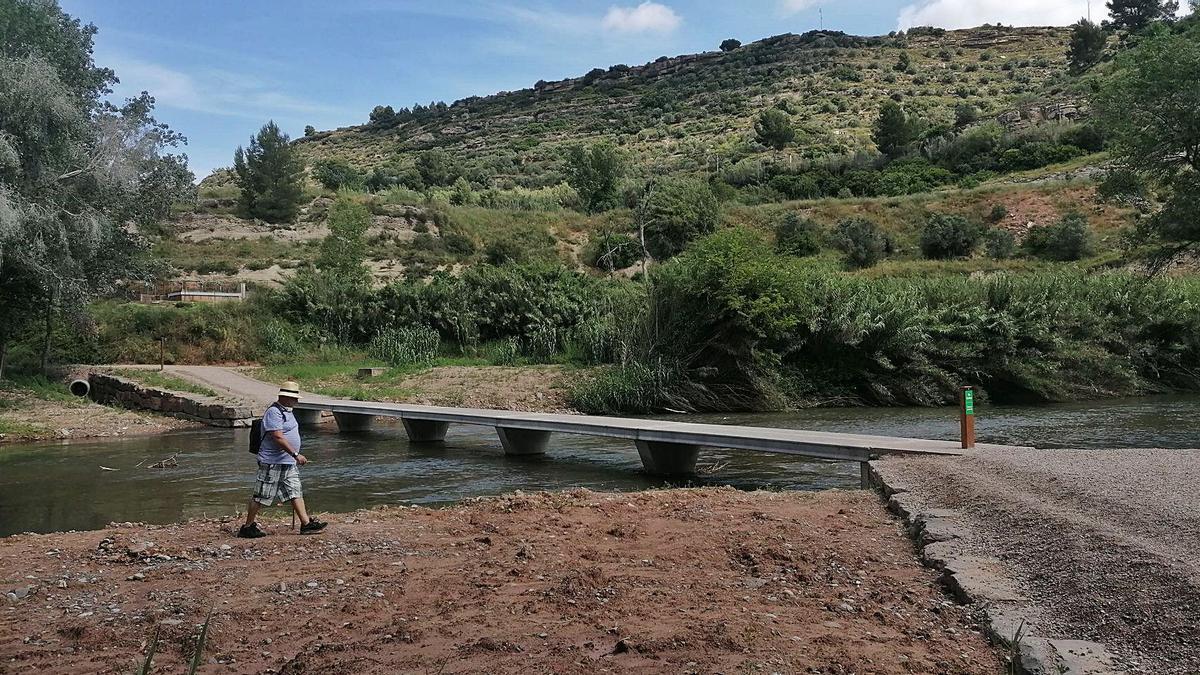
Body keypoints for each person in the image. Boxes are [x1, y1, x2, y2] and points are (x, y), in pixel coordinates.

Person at [238, 381, 327, 538]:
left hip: (287, 462)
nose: (296, 401)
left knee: (295, 491)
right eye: (294, 398)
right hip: (272, 462)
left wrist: (292, 456)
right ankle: (247, 527)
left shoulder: (288, 411)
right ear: (285, 397)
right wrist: (295, 454)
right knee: (261, 495)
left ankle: (306, 524)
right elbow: (277, 436)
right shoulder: (274, 412)